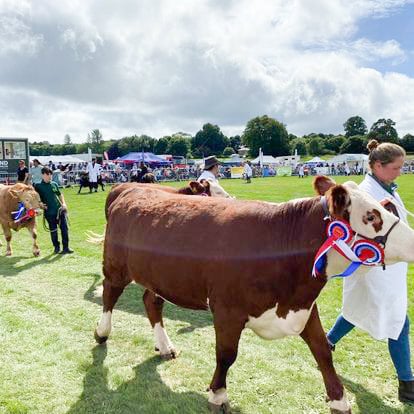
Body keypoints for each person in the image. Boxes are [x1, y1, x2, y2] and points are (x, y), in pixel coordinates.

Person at [327, 139, 413, 403]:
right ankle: (407, 383)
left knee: (357, 310)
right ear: (378, 165)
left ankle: (326, 343)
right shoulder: (365, 193)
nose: (401, 170)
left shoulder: (386, 188)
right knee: (399, 321)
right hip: (374, 267)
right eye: (397, 167)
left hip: (390, 266)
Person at [35, 167, 73, 254]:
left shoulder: (54, 184)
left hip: (60, 210)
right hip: (49, 212)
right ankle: (56, 247)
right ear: (43, 175)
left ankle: (66, 248)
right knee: (53, 230)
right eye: (48, 174)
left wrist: (63, 203)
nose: (50, 176)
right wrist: (40, 203)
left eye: (50, 174)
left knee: (64, 229)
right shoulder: (38, 186)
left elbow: (60, 195)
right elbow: (33, 195)